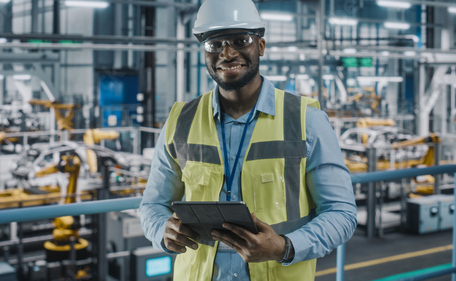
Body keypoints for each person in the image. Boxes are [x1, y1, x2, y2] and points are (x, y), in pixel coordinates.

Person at [139, 0, 357, 280]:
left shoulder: (307, 121)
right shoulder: (181, 121)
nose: (227, 53)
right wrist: (161, 230)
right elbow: (152, 205)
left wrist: (284, 247)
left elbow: (341, 213)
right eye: (214, 44)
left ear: (261, 46)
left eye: (240, 40)